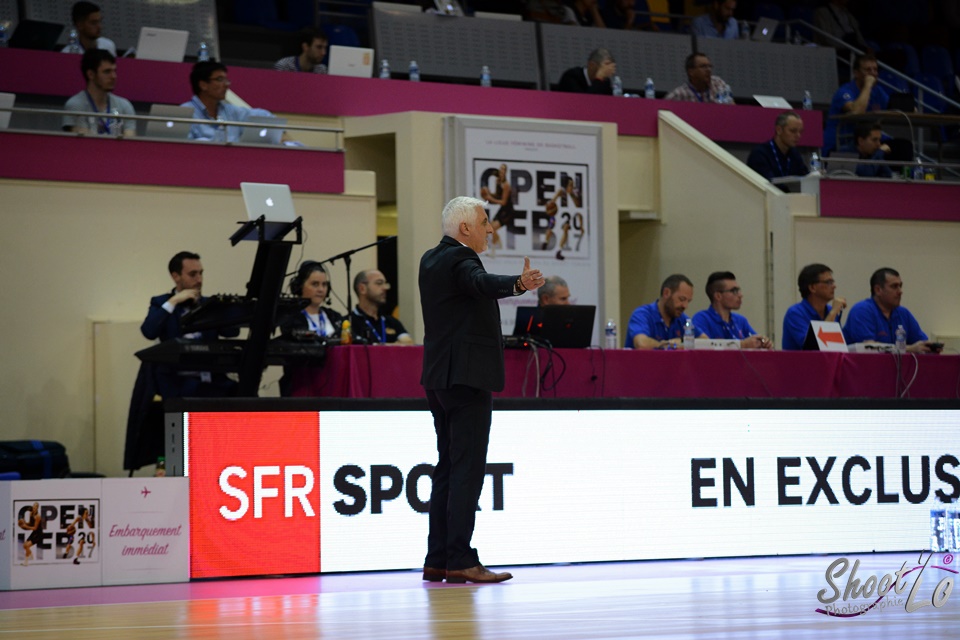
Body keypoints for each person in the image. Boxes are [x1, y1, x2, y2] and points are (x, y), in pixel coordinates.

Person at [419, 195, 544, 584]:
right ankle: (460, 558)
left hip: (439, 377)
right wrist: (518, 284)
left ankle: (438, 558)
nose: (490, 228)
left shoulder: (430, 258)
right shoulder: (461, 260)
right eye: (484, 221)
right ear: (465, 228)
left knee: (447, 467)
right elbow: (480, 283)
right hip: (466, 377)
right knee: (467, 470)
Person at [140, 251, 239, 397]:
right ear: (176, 276)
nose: (199, 279)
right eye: (193, 274)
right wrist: (173, 301)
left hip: (211, 379)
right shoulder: (161, 303)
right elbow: (149, 331)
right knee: (182, 408)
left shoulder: (208, 305)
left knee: (245, 396)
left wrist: (222, 310)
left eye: (201, 273)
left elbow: (232, 332)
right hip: (177, 381)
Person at [181, 61, 280, 143]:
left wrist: (282, 136)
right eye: (220, 79)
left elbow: (265, 116)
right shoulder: (185, 113)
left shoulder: (231, 111)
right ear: (203, 85)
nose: (226, 85)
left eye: (226, 80)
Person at [843, 268, 939, 352]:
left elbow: (920, 342)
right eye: (894, 286)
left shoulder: (903, 313)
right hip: (865, 370)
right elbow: (868, 348)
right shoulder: (862, 311)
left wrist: (929, 347)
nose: (900, 291)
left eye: (900, 286)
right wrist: (908, 349)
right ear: (878, 290)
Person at [823, 53, 889, 156]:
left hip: (864, 140)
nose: (873, 74)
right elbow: (857, 112)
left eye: (875, 70)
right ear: (856, 73)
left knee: (900, 145)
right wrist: (868, 85)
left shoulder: (877, 91)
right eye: (868, 70)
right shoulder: (844, 91)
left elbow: (893, 107)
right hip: (841, 142)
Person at [62, 48, 135, 137]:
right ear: (91, 74)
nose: (113, 76)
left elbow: (130, 141)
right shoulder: (75, 105)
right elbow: (84, 144)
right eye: (107, 72)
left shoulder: (124, 105)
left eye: (114, 71)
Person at [692, 272, 771, 349]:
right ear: (718, 296)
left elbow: (754, 340)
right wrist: (742, 345)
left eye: (739, 290)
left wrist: (763, 343)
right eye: (734, 291)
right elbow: (704, 347)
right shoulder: (702, 319)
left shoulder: (740, 320)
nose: (740, 295)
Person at [625, 274, 706, 349]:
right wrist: (671, 345)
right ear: (666, 293)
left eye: (688, 301)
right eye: (682, 299)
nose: (685, 306)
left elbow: (706, 342)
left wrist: (682, 341)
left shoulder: (682, 319)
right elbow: (641, 344)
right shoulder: (642, 314)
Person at [781, 263, 847, 350]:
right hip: (801, 363)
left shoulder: (830, 311)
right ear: (812, 287)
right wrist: (833, 313)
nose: (834, 286)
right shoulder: (795, 313)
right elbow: (813, 348)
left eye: (832, 282)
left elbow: (837, 347)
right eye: (828, 282)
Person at [349, 269, 413, 344]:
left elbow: (408, 343)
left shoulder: (391, 322)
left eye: (385, 283)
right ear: (362, 289)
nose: (385, 288)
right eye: (379, 283)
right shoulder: (349, 322)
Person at [746, 111, 809, 185]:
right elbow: (767, 185)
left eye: (800, 132)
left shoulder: (795, 155)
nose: (798, 136)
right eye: (793, 131)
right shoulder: (759, 154)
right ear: (779, 130)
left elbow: (806, 178)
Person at [664, 52, 732, 103]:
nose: (708, 70)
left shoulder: (718, 83)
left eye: (709, 66)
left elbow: (731, 107)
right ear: (691, 72)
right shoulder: (679, 94)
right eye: (703, 67)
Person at [480, 163, 516, 250]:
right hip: (503, 210)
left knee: (492, 228)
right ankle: (497, 245)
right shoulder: (498, 182)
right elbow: (497, 195)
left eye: (503, 169)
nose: (501, 171)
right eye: (500, 169)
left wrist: (490, 198)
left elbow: (503, 202)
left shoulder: (506, 185)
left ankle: (495, 247)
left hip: (508, 211)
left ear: (505, 172)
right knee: (489, 228)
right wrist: (488, 194)